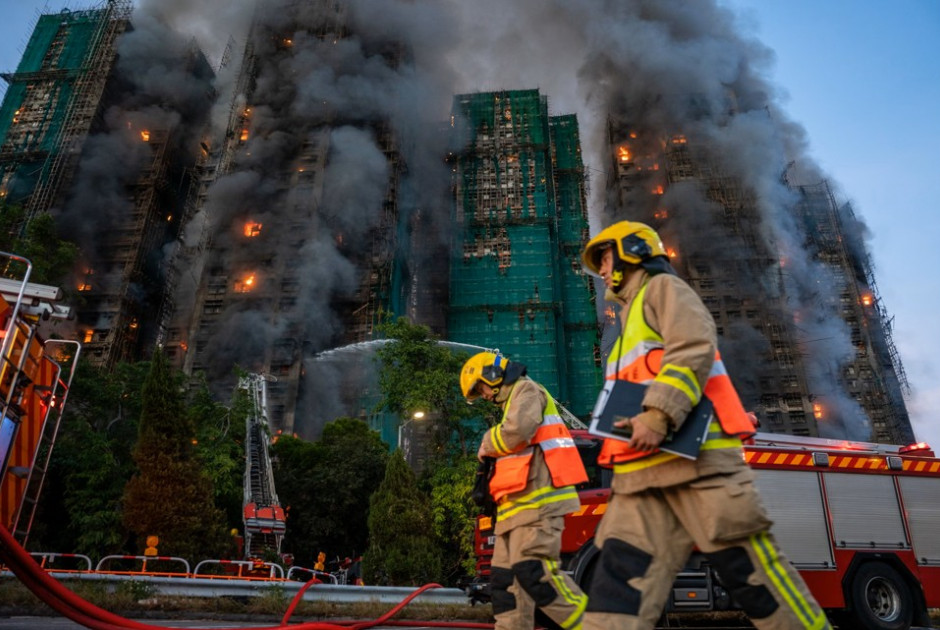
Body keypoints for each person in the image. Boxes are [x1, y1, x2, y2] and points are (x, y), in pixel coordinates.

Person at [579, 221, 832, 630]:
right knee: (617, 588)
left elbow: (693, 345)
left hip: (701, 466)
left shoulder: (663, 290)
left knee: (751, 576)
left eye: (605, 260)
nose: (602, 271)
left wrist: (659, 414)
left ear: (631, 251)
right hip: (643, 477)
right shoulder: (627, 321)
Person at [460, 351, 589, 630]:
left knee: (536, 575)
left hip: (537, 507)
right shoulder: (511, 406)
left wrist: (486, 442)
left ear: (491, 375)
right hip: (514, 514)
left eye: (480, 388)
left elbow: (519, 431)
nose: (483, 395)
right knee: (506, 590)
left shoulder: (527, 390)